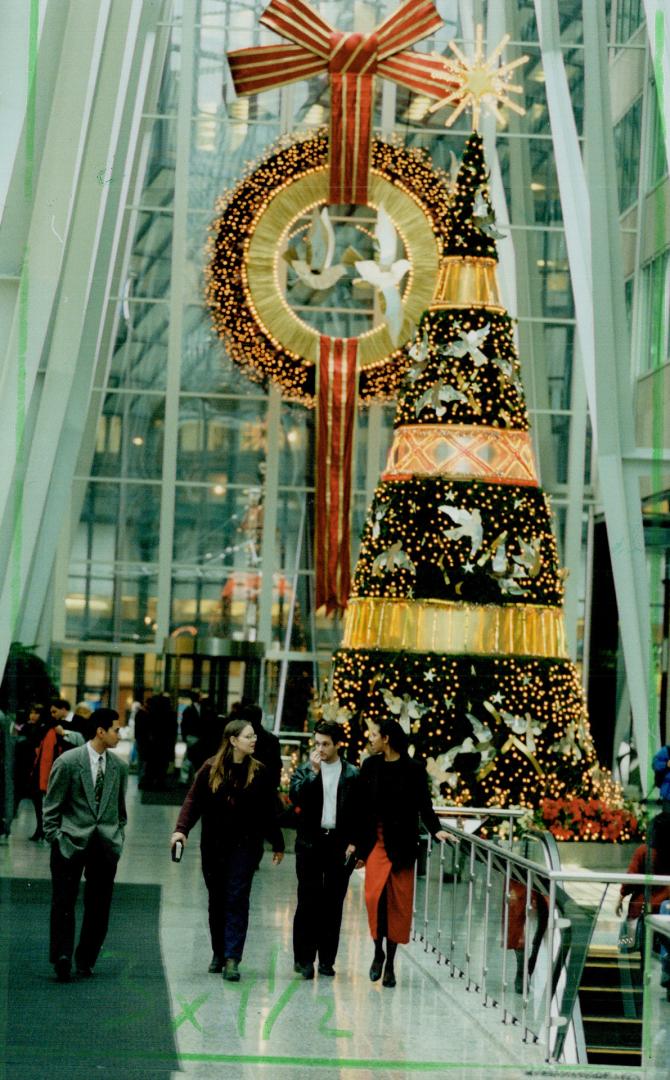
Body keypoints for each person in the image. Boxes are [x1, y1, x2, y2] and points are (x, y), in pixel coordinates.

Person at [171, 717, 285, 982]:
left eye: (254, 736)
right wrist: (181, 830)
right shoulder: (210, 769)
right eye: (248, 736)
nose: (254, 740)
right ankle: (218, 952)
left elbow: (268, 811)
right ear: (233, 741)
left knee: (237, 896)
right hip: (214, 845)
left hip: (245, 846)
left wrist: (277, 842)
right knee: (217, 899)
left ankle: (233, 958)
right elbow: (193, 801)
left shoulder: (259, 772)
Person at [354, 718, 449, 988]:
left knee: (397, 905)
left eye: (374, 735)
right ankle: (377, 952)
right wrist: (356, 844)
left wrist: (436, 830)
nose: (370, 739)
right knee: (374, 898)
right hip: (377, 843)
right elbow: (359, 807)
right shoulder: (370, 765)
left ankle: (391, 964)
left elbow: (424, 806)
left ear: (386, 739)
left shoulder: (414, 770)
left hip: (403, 846)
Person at [42, 708, 127, 982]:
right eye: (116, 729)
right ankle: (62, 956)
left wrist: (117, 836)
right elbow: (51, 806)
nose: (119, 735)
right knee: (64, 901)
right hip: (69, 841)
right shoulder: (68, 762)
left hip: (104, 846)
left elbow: (120, 811)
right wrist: (55, 836)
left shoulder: (119, 767)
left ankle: (86, 958)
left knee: (99, 906)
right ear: (100, 731)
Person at [290, 720, 359, 979]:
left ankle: (327, 960)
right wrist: (313, 773)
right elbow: (297, 797)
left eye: (326, 744)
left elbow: (359, 812)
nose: (321, 748)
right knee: (307, 900)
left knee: (333, 903)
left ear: (337, 744)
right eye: (317, 743)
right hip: (310, 842)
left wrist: (355, 842)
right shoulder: (305, 770)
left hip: (338, 843)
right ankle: (304, 959)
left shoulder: (352, 774)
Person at [616, 812, 670, 996]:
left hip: (643, 910)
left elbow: (632, 878)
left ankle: (642, 985)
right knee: (664, 946)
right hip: (665, 911)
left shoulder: (644, 852)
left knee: (642, 951)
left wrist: (621, 896)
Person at [12, 702, 47, 839]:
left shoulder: (41, 729)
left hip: (34, 768)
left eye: (36, 713)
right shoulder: (25, 727)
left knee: (37, 802)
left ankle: (40, 829)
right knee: (18, 798)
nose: (33, 715)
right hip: (23, 768)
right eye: (31, 712)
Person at [241, 703, 282, 791]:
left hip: (246, 787)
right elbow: (277, 766)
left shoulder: (242, 739)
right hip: (267, 788)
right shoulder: (272, 739)